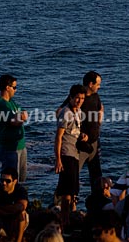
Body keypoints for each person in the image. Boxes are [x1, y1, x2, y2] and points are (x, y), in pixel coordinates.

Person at [56, 71, 104, 190]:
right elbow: (59, 112)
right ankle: (60, 202)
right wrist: (75, 131)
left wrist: (99, 121)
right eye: (98, 84)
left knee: (96, 174)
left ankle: (97, 200)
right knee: (72, 174)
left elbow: (100, 107)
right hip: (80, 144)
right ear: (90, 84)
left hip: (94, 141)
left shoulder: (95, 96)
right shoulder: (76, 98)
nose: (99, 87)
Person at [55, 84, 88, 229]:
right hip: (67, 153)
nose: (80, 101)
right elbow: (59, 137)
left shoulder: (78, 112)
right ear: (71, 97)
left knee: (73, 190)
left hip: (75, 153)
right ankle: (64, 222)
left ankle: (67, 219)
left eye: (82, 98)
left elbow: (73, 131)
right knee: (66, 191)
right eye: (77, 98)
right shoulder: (66, 113)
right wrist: (58, 160)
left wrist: (82, 136)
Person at [0, 73, 28, 182]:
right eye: (14, 87)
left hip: (19, 146)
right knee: (10, 179)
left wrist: (21, 117)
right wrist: (20, 118)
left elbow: (23, 113)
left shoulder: (11, 103)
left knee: (20, 179)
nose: (15, 90)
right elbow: (15, 121)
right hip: (9, 148)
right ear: (7, 88)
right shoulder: (1, 104)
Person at [0, 166, 28, 242]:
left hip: (15, 219)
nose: (4, 183)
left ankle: (19, 240)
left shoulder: (20, 190)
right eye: (2, 180)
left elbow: (21, 206)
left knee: (21, 214)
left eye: (8, 181)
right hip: (1, 219)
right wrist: (6, 212)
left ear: (14, 181)